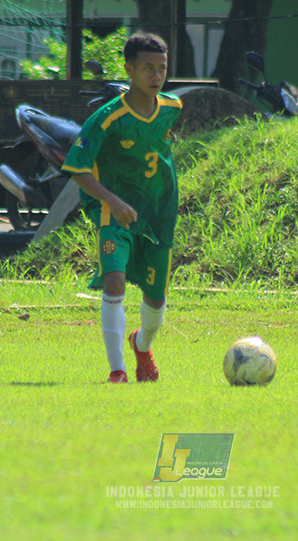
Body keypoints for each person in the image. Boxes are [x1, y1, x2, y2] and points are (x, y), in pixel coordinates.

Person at [61, 32, 182, 383]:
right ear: (129, 69)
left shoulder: (172, 108)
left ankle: (141, 345)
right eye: (148, 68)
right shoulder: (106, 118)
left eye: (162, 68)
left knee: (156, 302)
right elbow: (77, 168)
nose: (156, 76)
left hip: (158, 216)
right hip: (113, 214)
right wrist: (112, 201)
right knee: (114, 282)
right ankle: (118, 371)